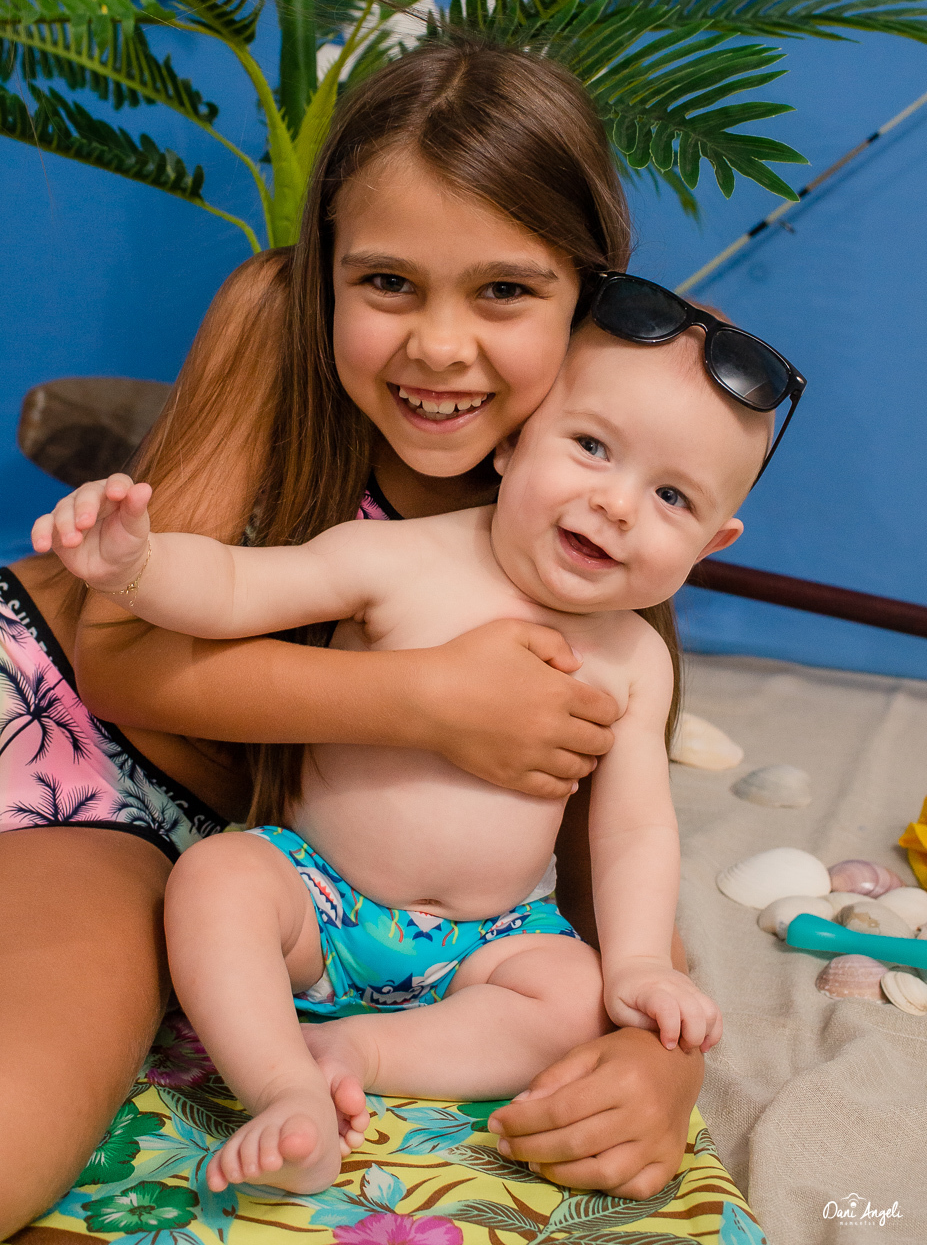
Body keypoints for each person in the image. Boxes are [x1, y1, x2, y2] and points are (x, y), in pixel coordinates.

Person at [3, 39, 704, 1234]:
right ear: (328, 267)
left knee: (17, 1116)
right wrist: (427, 700)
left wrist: (661, 1052)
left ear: (587, 298)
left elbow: (614, 825)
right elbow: (117, 658)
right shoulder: (274, 323)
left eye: (504, 290)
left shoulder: (612, 492)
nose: (440, 346)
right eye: (386, 282)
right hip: (44, 683)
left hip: (156, 838)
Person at [40, 302, 788, 1193]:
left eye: (672, 498)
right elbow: (236, 587)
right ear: (513, 442)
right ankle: (284, 1093)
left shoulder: (634, 659)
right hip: (316, 899)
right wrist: (137, 566)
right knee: (215, 879)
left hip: (490, 940)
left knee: (572, 996)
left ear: (711, 543)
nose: (615, 504)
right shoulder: (400, 558)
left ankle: (355, 1052)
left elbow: (631, 829)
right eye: (590, 446)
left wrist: (634, 965)